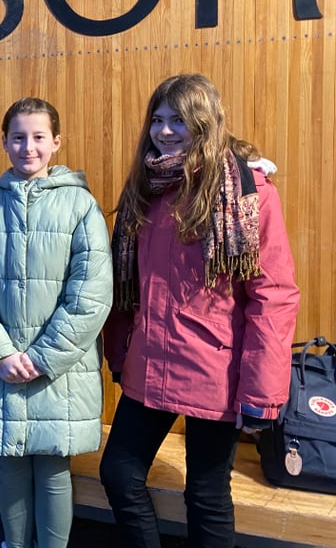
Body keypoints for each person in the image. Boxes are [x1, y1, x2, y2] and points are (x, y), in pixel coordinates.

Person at [99, 73, 300, 548]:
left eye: (180, 120)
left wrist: (262, 392)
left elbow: (273, 295)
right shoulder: (145, 188)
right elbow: (129, 285)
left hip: (216, 371)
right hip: (150, 363)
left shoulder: (248, 191)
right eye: (159, 119)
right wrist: (119, 348)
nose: (166, 131)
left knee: (207, 493)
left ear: (205, 122)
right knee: (119, 474)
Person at [0, 97, 112, 548]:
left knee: (54, 465)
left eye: (39, 137)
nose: (28, 147)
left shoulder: (81, 206)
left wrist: (41, 358)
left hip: (59, 370)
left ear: (56, 142)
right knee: (11, 462)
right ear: (4, 142)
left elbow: (92, 294)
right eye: (18, 137)